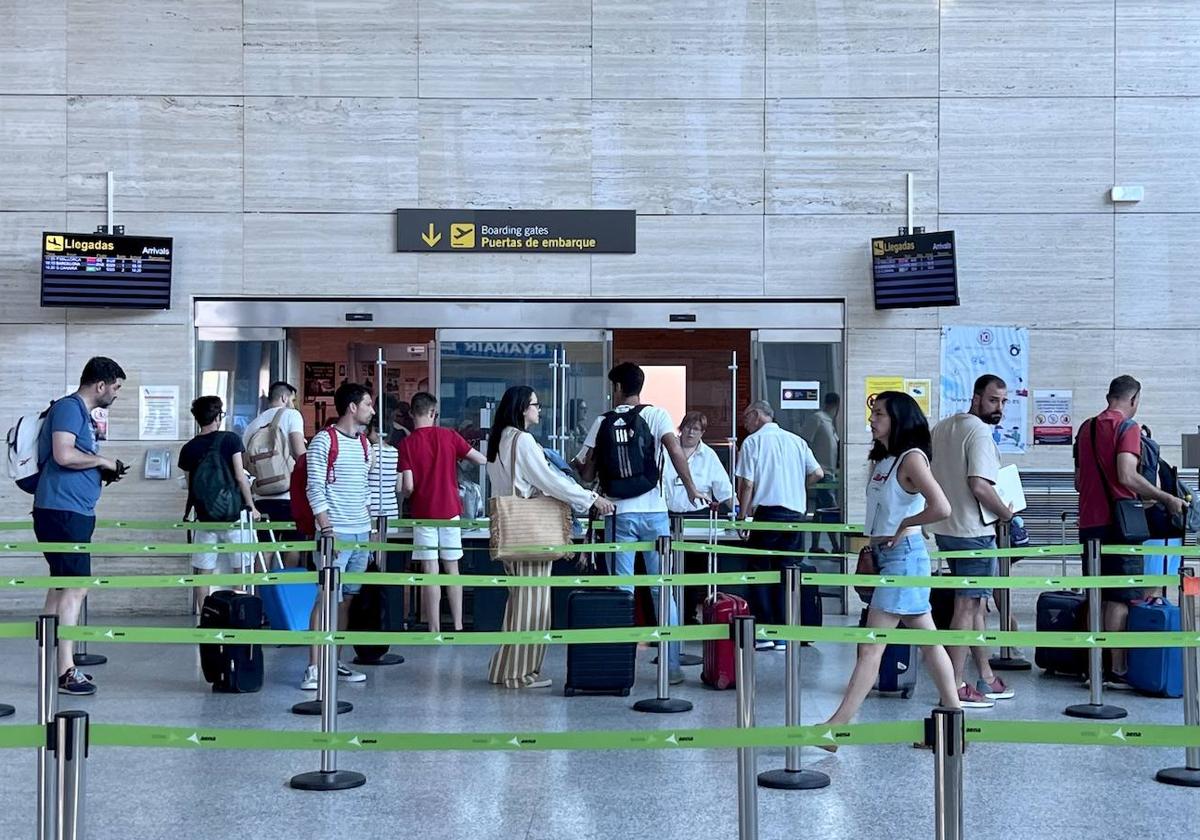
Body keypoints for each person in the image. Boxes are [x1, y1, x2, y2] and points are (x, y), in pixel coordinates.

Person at [819, 391, 961, 735]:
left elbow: (941, 506)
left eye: (879, 414)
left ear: (898, 418)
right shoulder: (885, 460)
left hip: (904, 559)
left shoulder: (912, 459)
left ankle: (837, 728)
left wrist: (906, 525)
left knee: (871, 645)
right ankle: (955, 719)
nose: (872, 420)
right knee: (928, 642)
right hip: (888, 558)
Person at [573, 362, 708, 684]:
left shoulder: (602, 421)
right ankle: (672, 667)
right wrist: (690, 488)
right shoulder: (657, 415)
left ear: (617, 387)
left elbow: (588, 472)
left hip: (618, 514)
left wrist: (579, 466)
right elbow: (675, 451)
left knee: (623, 589)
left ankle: (622, 664)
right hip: (655, 513)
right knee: (663, 590)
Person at [486, 386, 615, 689]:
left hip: (510, 529)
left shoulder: (499, 440)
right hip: (531, 534)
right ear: (522, 409)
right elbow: (550, 481)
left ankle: (503, 669)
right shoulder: (523, 441)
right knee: (533, 606)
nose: (539, 410)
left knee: (517, 604)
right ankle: (520, 673)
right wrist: (590, 498)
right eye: (535, 404)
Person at [1074, 375, 1186, 688]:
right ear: (1133, 399)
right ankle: (1116, 669)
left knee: (1096, 594)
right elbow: (1126, 474)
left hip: (1089, 523)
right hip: (1121, 524)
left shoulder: (1086, 428)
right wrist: (1165, 497)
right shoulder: (1128, 427)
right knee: (1121, 598)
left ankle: (1092, 667)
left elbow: (1077, 481)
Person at [32, 356, 127, 696]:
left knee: (61, 586)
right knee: (76, 587)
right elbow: (63, 454)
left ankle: (50, 657)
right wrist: (102, 461)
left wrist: (100, 471)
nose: (115, 394)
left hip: (68, 510)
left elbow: (73, 458)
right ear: (100, 385)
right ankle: (66, 671)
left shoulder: (79, 413)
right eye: (115, 387)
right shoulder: (70, 408)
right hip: (63, 511)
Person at [929, 374, 1019, 708]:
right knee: (966, 606)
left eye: (1004, 401)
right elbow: (980, 485)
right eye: (994, 400)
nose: (1000, 408)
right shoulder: (979, 432)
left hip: (947, 527)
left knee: (977, 602)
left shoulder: (942, 428)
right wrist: (1008, 515)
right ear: (976, 397)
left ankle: (986, 675)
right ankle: (954, 684)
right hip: (974, 531)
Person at [300, 382, 376, 690]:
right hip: (336, 533)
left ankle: (335, 660)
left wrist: (369, 528)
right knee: (327, 597)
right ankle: (314, 666)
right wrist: (327, 529)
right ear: (352, 407)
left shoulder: (363, 444)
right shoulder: (323, 441)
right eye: (369, 404)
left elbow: (364, 488)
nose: (373, 410)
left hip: (360, 532)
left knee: (346, 600)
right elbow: (314, 487)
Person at [736, 400, 824, 650]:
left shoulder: (753, 442)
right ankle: (784, 634)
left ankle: (765, 633)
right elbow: (817, 473)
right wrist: (797, 486)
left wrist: (743, 518)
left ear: (756, 416)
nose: (744, 424)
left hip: (768, 516)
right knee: (788, 574)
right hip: (796, 517)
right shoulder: (796, 441)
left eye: (745, 418)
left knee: (761, 573)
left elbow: (748, 485)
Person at [397, 392, 488, 632]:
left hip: (423, 513)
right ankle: (457, 626)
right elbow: (479, 459)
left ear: (411, 413)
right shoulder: (449, 436)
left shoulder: (406, 444)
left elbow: (407, 486)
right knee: (452, 568)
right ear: (433, 413)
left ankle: (434, 628)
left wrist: (409, 495)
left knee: (430, 571)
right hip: (450, 511)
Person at [179, 396, 260, 612]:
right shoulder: (230, 439)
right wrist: (251, 506)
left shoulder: (188, 448)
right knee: (240, 569)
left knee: (203, 571)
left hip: (205, 517)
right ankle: (239, 613)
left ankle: (204, 615)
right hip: (234, 515)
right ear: (218, 416)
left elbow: (191, 486)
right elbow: (240, 476)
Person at [242, 381, 306, 566]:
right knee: (292, 546)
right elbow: (299, 453)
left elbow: (247, 463)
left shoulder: (252, 426)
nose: (293, 404)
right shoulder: (292, 415)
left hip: (261, 498)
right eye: (293, 399)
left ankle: (261, 594)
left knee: (265, 548)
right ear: (285, 398)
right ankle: (285, 593)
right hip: (289, 496)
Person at [662, 411, 733, 514]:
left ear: (702, 432)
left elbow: (725, 491)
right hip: (666, 515)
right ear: (681, 428)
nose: (691, 432)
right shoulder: (666, 450)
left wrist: (740, 515)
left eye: (695, 429)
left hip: (699, 516)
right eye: (688, 427)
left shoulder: (709, 455)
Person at [799, 392, 841, 552]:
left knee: (820, 511)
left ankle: (815, 545)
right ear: (836, 405)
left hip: (829, 472)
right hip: (821, 472)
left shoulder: (830, 423)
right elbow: (804, 442)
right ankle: (837, 547)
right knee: (830, 510)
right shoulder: (818, 419)